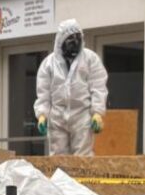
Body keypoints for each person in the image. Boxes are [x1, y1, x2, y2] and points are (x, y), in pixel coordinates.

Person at [33, 19, 109, 156]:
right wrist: (42, 115)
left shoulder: (90, 59)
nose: (75, 42)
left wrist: (97, 112)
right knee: (58, 158)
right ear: (61, 41)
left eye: (77, 38)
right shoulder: (49, 64)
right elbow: (43, 92)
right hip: (57, 117)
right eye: (70, 39)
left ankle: (80, 179)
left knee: (83, 158)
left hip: (82, 116)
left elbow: (98, 86)